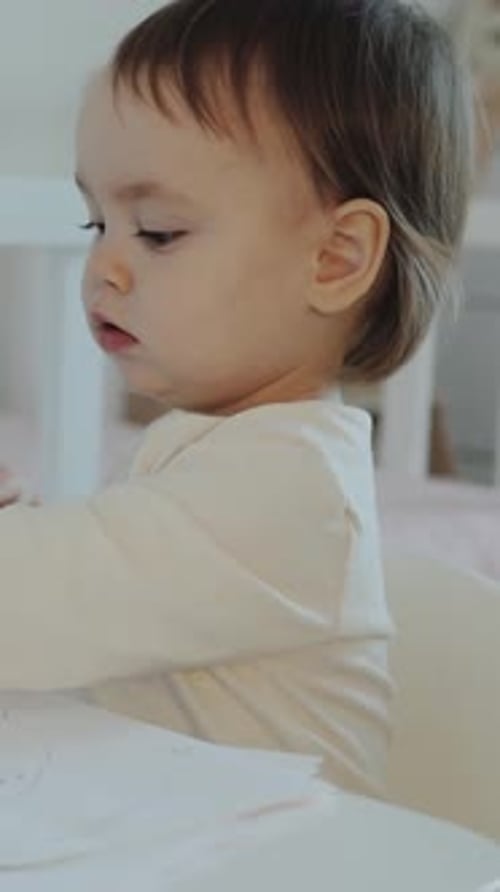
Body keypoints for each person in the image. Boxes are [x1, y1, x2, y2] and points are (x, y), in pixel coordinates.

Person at [0, 0, 473, 796]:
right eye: (96, 224)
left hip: (301, 855)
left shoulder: (288, 488)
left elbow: (26, 608)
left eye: (157, 232)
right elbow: (98, 611)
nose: (104, 268)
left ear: (334, 259)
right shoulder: (216, 451)